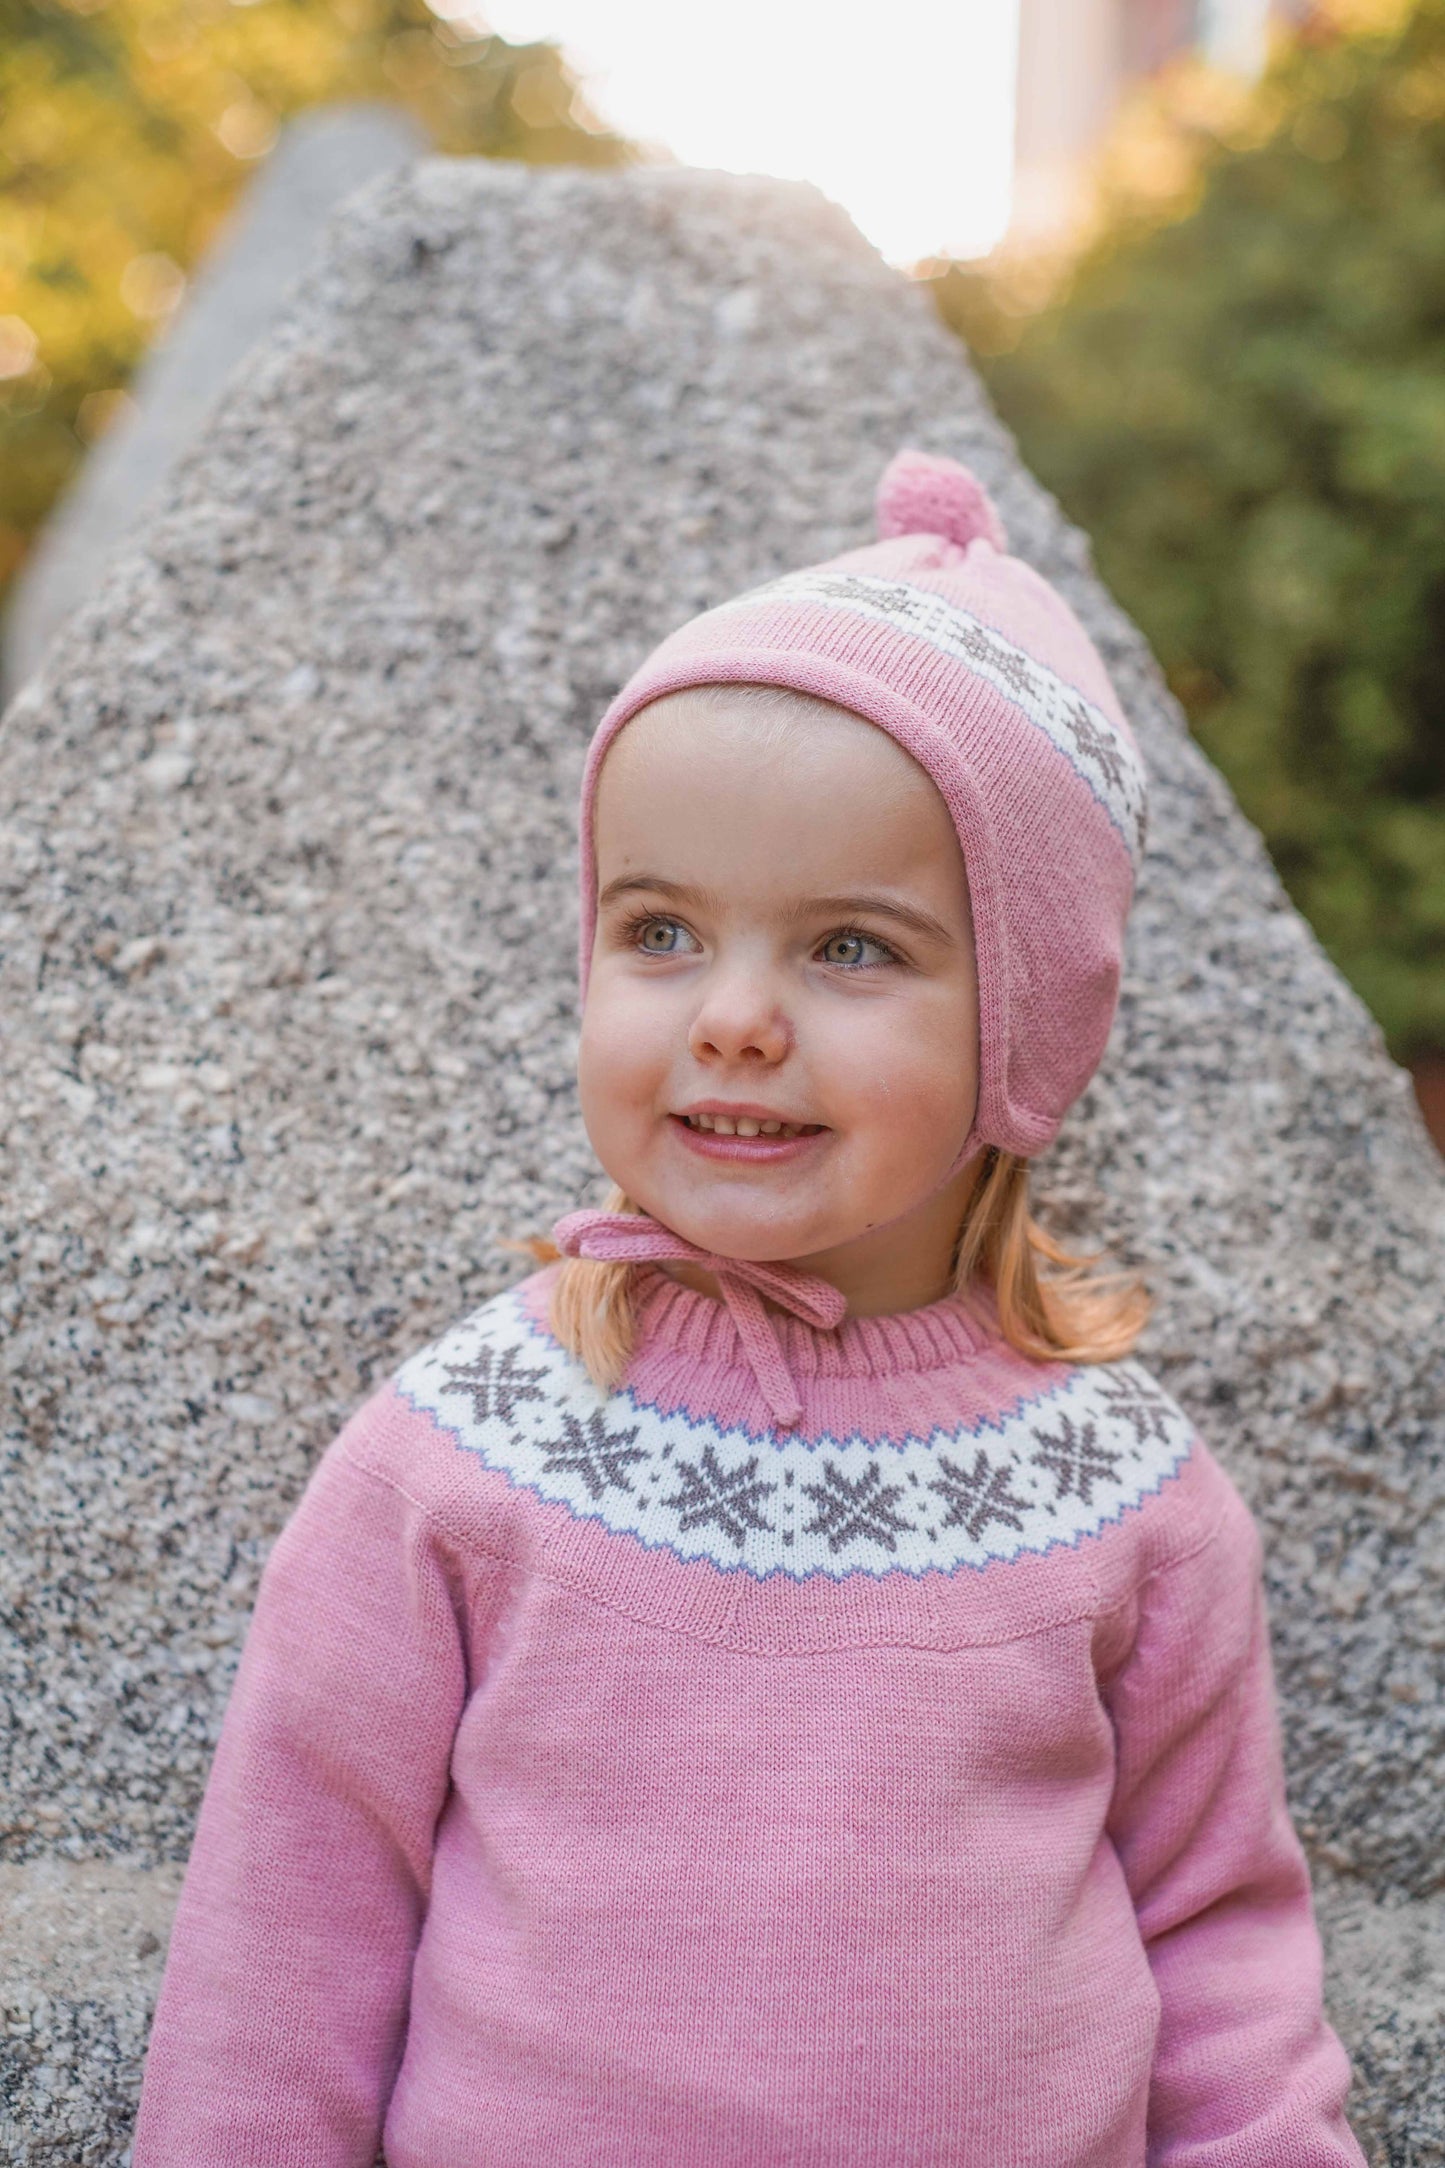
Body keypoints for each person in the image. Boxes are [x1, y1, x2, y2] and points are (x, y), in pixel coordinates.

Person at [132, 451, 1366, 2166]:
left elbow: (1222, 1950)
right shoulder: (464, 1458)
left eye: (847, 948)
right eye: (658, 931)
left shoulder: (1124, 1497)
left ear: (1027, 1030)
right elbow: (285, 1944)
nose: (729, 1018)